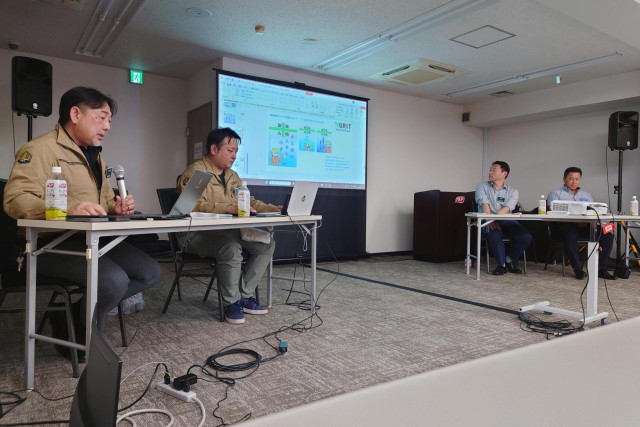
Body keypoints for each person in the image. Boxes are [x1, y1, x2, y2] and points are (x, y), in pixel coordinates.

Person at [3, 87, 161, 349]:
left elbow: (104, 202)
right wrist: (67, 208)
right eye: (101, 118)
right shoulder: (39, 149)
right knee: (114, 281)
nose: (107, 126)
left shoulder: (96, 158)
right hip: (47, 244)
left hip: (88, 240)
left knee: (150, 273)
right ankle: (85, 339)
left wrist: (116, 208)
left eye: (109, 120)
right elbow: (15, 200)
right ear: (76, 114)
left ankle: (75, 315)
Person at [177, 128, 282, 324]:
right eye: (230, 150)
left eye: (236, 152)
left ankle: (244, 295)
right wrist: (228, 208)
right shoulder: (195, 172)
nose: (234, 156)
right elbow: (193, 206)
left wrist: (273, 208)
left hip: (225, 231)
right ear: (214, 149)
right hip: (193, 234)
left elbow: (249, 201)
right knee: (230, 247)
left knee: (267, 244)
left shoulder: (233, 176)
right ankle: (231, 303)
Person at [547, 167, 615, 280]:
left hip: (585, 226)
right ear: (564, 179)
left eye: (577, 179)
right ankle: (577, 268)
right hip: (565, 226)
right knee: (570, 234)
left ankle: (601, 269)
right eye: (570, 179)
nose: (574, 182)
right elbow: (551, 211)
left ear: (580, 179)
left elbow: (593, 212)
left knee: (608, 236)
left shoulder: (586, 195)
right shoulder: (555, 194)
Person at [475, 161, 532, 275]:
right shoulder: (482, 186)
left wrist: (495, 219)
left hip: (506, 221)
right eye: (490, 170)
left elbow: (506, 208)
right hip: (486, 220)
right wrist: (490, 220)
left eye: (494, 170)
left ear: (504, 174)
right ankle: (501, 265)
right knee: (495, 233)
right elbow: (485, 205)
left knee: (525, 236)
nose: (490, 172)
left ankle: (509, 260)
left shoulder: (513, 191)